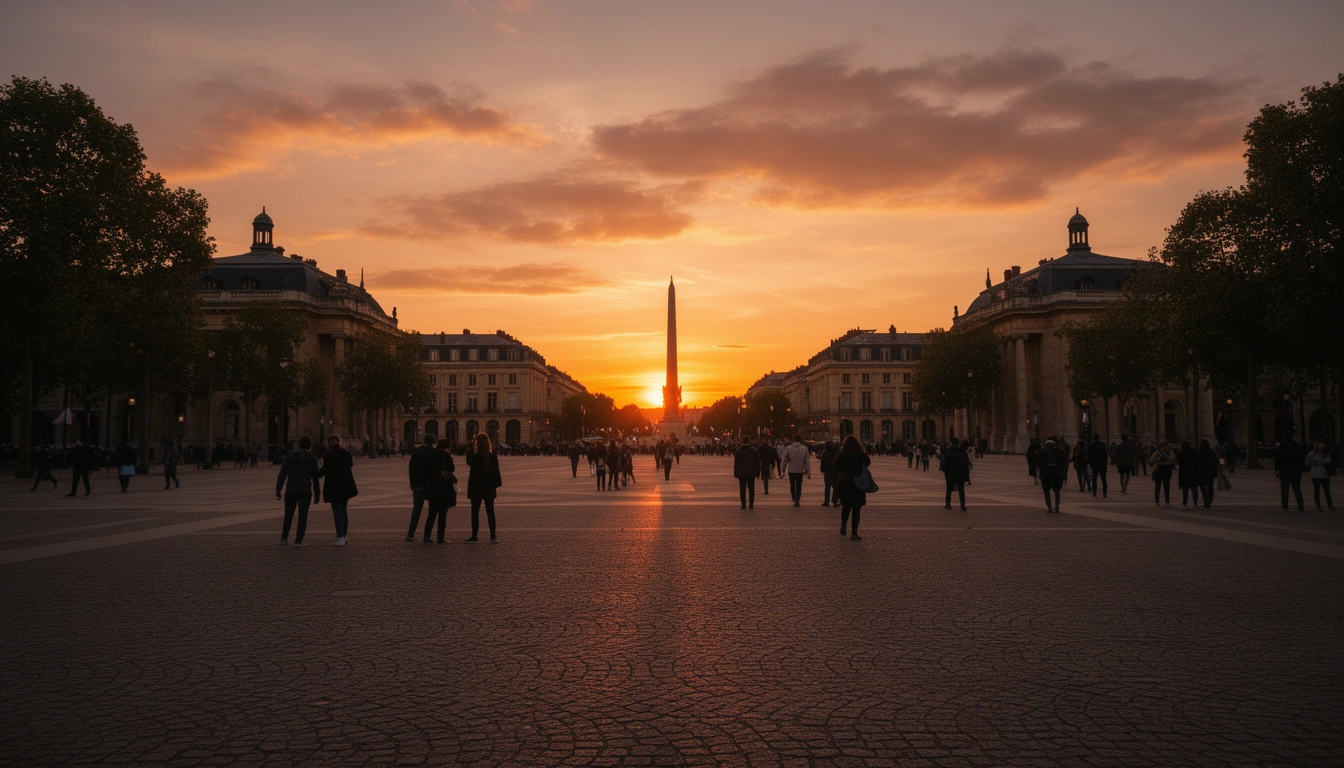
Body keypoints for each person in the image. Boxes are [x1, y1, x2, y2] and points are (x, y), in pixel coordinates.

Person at [276, 436, 321, 547]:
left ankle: (284, 538)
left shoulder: (289, 456)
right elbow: (315, 478)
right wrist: (317, 494)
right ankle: (298, 540)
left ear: (299, 445)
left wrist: (278, 490)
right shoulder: (312, 458)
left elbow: (282, 475)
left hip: (291, 489)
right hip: (305, 490)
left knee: (288, 515)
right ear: (310, 446)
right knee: (303, 516)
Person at [318, 435, 358, 545]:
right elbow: (351, 465)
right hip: (345, 486)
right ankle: (344, 535)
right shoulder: (346, 453)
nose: (332, 442)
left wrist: (313, 472)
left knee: (337, 512)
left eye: (332, 441)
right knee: (343, 511)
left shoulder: (329, 456)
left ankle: (340, 537)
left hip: (334, 486)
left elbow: (322, 472)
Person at [465, 433, 501, 543]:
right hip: (489, 487)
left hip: (476, 487)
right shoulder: (492, 454)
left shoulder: (474, 455)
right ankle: (493, 536)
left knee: (475, 512)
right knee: (490, 512)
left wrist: (470, 449)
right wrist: (496, 484)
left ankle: (474, 536)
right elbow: (496, 470)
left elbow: (468, 462)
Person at [834, 436, 871, 540]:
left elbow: (835, 465)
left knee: (846, 506)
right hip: (858, 483)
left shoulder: (842, 454)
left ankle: (843, 524)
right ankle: (854, 533)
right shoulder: (861, 454)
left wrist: (844, 470)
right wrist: (859, 470)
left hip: (846, 483)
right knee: (856, 509)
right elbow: (868, 462)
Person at [421, 438, 457, 543]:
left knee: (431, 513)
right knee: (442, 514)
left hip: (432, 487)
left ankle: (426, 536)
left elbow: (425, 470)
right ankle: (440, 537)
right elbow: (451, 468)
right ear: (447, 446)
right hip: (443, 488)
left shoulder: (431, 455)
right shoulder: (446, 455)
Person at [405, 434, 440, 541]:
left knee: (416, 510)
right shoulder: (436, 453)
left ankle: (410, 534)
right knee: (431, 512)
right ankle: (427, 536)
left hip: (418, 485)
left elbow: (411, 469)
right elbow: (438, 470)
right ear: (434, 441)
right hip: (431, 486)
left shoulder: (416, 453)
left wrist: (413, 484)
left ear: (424, 441)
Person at [1275, 431, 1306, 512]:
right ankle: (1300, 506)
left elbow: (1277, 460)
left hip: (1284, 471)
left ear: (1285, 438)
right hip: (1295, 471)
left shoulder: (1282, 447)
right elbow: (1301, 459)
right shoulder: (1297, 447)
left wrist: (1277, 470)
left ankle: (1285, 506)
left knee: (1284, 490)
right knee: (1297, 490)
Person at [1306, 440, 1336, 512]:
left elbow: (1329, 461)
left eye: (1323, 446)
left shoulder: (1326, 453)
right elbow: (1307, 462)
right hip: (1316, 475)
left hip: (1325, 474)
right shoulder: (1312, 453)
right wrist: (1313, 463)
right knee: (1317, 491)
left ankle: (1330, 506)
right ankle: (1318, 506)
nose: (1321, 448)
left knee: (1327, 491)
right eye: (1319, 446)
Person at [1039, 437, 1067, 512]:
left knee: (1046, 490)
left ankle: (1049, 507)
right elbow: (1064, 462)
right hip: (1057, 472)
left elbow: (1039, 463)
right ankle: (1057, 505)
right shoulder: (1060, 451)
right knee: (1057, 490)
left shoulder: (1043, 451)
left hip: (1046, 473)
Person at [941, 439, 971, 511]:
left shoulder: (949, 452)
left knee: (949, 490)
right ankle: (962, 505)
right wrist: (966, 475)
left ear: (952, 443)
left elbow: (944, 463)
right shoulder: (963, 452)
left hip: (951, 474)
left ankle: (948, 504)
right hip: (960, 474)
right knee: (961, 490)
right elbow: (966, 464)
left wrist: (945, 472)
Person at [782, 434, 810, 507]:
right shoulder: (804, 448)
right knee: (799, 485)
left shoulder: (788, 448)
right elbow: (807, 461)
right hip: (800, 470)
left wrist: (783, 470)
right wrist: (808, 472)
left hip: (791, 469)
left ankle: (793, 496)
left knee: (792, 484)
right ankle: (797, 499)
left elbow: (785, 460)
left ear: (793, 440)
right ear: (801, 440)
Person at [733, 439, 760, 510]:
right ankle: (751, 504)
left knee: (742, 489)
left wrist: (736, 473)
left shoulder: (739, 451)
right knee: (751, 489)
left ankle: (743, 504)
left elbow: (736, 464)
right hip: (751, 473)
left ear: (742, 442)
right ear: (749, 441)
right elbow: (757, 462)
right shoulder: (754, 450)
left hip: (741, 473)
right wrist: (758, 473)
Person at [1149, 441, 1175, 507]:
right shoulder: (1170, 452)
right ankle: (1167, 502)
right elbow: (1173, 461)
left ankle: (1157, 501)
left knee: (1157, 486)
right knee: (1167, 487)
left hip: (1159, 469)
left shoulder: (1156, 453)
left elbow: (1151, 461)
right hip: (1167, 469)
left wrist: (1157, 461)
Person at [1196, 439, 1219, 508]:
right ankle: (1210, 499)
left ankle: (1205, 500)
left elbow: (1197, 461)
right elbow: (1216, 460)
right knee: (1210, 486)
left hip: (1202, 471)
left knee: (1203, 487)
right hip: (1211, 471)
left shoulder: (1199, 451)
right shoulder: (1211, 451)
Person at [820, 440, 840, 506]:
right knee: (835, 487)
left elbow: (822, 462)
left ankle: (826, 502)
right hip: (835, 471)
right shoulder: (837, 452)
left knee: (827, 487)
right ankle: (835, 501)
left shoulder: (825, 452)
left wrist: (822, 469)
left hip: (827, 472)